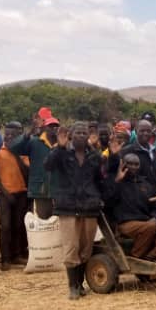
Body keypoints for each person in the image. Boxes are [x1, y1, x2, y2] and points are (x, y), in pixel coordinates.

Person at [44, 123, 104, 300]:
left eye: (84, 133)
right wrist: (59, 148)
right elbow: (47, 165)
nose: (81, 135)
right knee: (71, 247)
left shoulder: (92, 155)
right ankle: (72, 286)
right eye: (78, 132)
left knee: (86, 248)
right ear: (71, 135)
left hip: (89, 207)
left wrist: (94, 149)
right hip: (68, 207)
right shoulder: (62, 152)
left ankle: (80, 283)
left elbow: (100, 174)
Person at [105, 153, 156, 262]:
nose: (133, 167)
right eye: (130, 164)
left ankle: (153, 256)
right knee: (149, 226)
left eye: (136, 164)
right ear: (123, 164)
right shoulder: (117, 182)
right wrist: (117, 181)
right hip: (125, 223)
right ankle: (136, 257)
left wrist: (155, 217)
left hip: (147, 222)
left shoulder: (145, 183)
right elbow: (108, 201)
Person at [9, 109, 60, 219]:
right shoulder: (35, 142)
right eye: (51, 126)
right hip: (41, 191)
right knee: (43, 223)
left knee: (61, 222)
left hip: (60, 191)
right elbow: (13, 148)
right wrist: (29, 132)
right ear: (45, 128)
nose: (54, 129)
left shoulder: (63, 144)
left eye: (56, 126)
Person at [0, 121, 30, 268]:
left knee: (18, 225)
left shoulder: (23, 152)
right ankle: (5, 258)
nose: (9, 137)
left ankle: (17, 255)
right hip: (3, 194)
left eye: (13, 135)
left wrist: (15, 153)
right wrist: (4, 191)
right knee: (5, 226)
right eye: (7, 134)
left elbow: (27, 172)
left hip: (21, 192)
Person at [114, 120, 156, 200]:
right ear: (136, 131)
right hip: (136, 199)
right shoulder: (127, 151)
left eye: (148, 131)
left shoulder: (154, 152)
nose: (145, 133)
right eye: (142, 131)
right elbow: (119, 173)